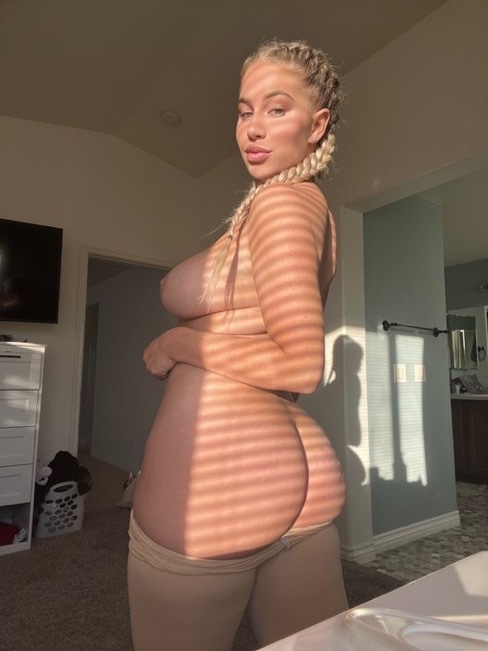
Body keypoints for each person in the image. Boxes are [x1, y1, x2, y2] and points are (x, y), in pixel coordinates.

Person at [128, 39, 348, 651]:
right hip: (291, 474)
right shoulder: (299, 205)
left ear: (316, 125)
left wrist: (180, 342)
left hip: (223, 488)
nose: (252, 127)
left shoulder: (282, 204)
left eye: (276, 109)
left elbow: (300, 364)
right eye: (245, 110)